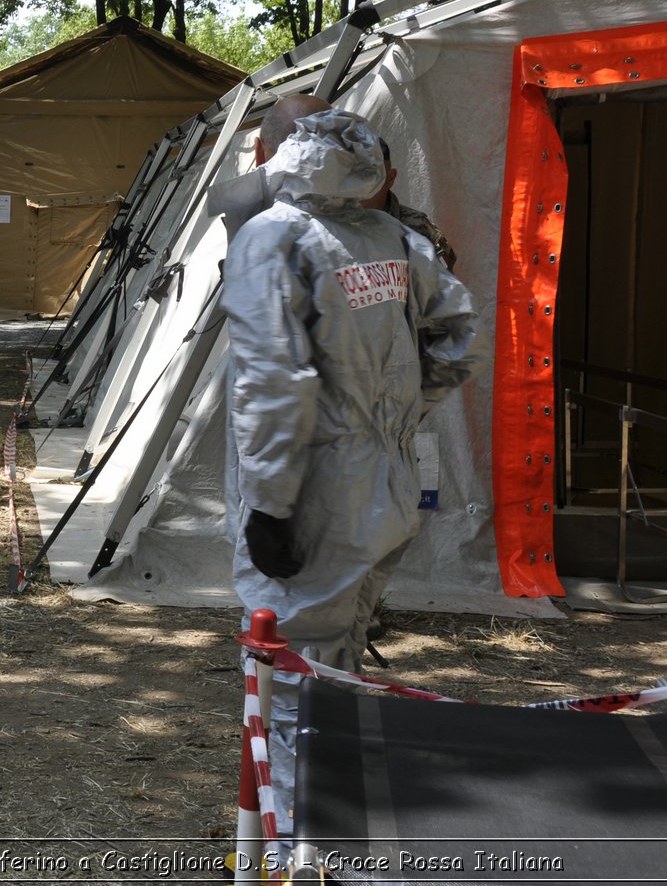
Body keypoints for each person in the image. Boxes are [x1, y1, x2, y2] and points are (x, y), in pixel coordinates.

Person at [220, 95, 484, 834]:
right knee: (339, 664)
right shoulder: (389, 236)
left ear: (271, 154)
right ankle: (335, 821)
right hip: (388, 485)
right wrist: (394, 419)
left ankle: (303, 844)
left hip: (314, 497)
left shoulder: (272, 238)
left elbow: (274, 382)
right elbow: (461, 337)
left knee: (295, 679)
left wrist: (271, 506)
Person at [363, 138, 459, 271]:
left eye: (373, 176)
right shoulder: (336, 226)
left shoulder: (418, 226)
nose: (364, 186)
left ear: (390, 178)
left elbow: (444, 284)